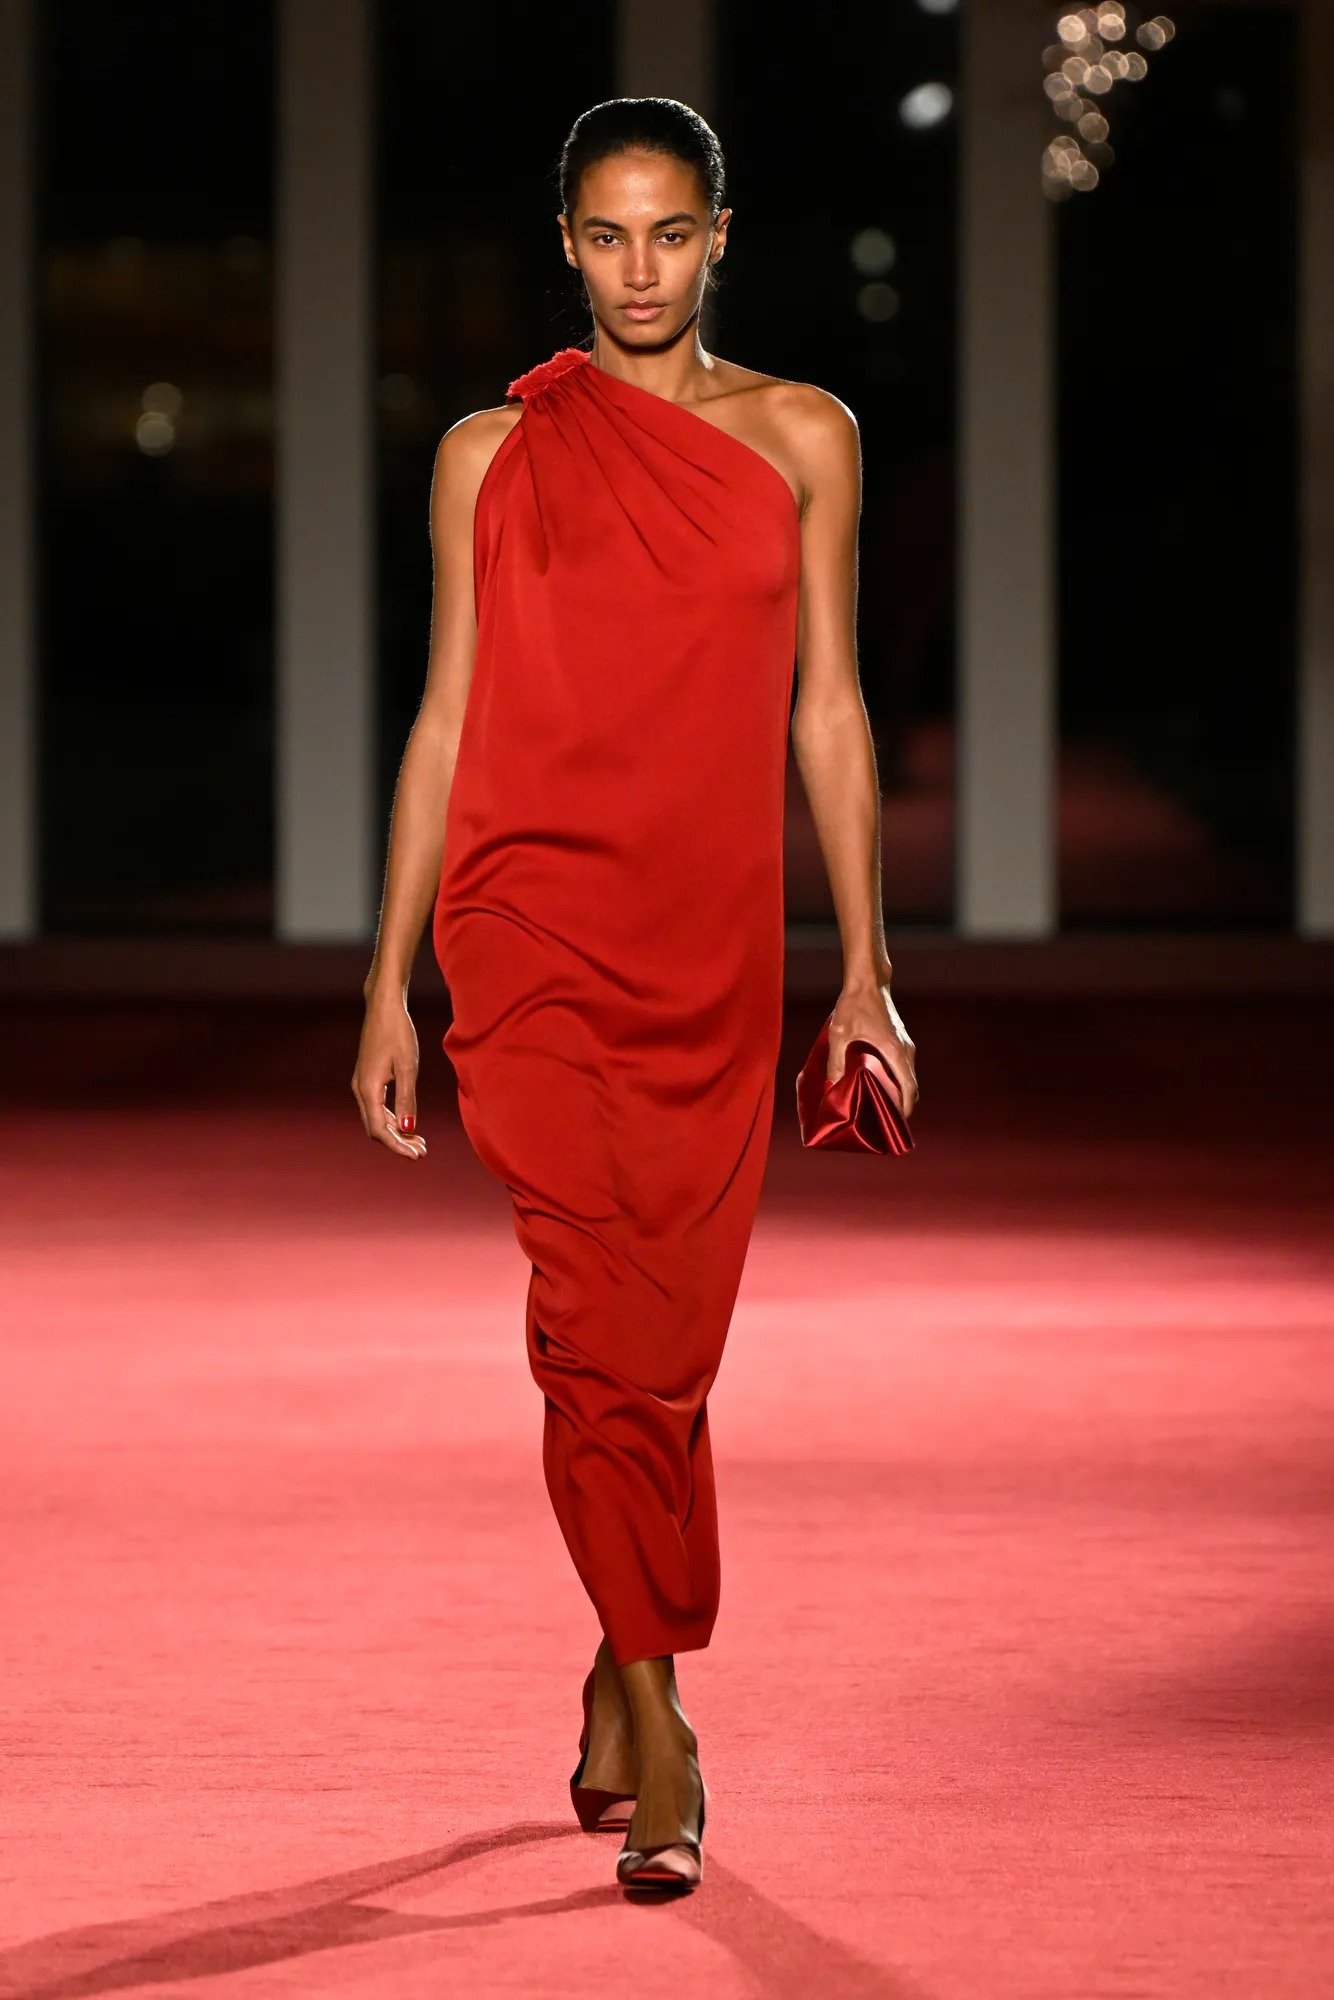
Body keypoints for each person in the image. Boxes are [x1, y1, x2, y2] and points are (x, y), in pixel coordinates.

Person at [353, 96, 919, 1895]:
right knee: (591, 1312)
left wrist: (867, 972)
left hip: (705, 942)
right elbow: (444, 717)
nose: (640, 269)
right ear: (567, 245)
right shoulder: (488, 452)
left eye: (670, 232)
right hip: (524, 925)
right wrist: (388, 979)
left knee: (659, 1340)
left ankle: (612, 1655)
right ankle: (664, 1718)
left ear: (720, 235)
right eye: (607, 236)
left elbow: (828, 707)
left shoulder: (803, 435)